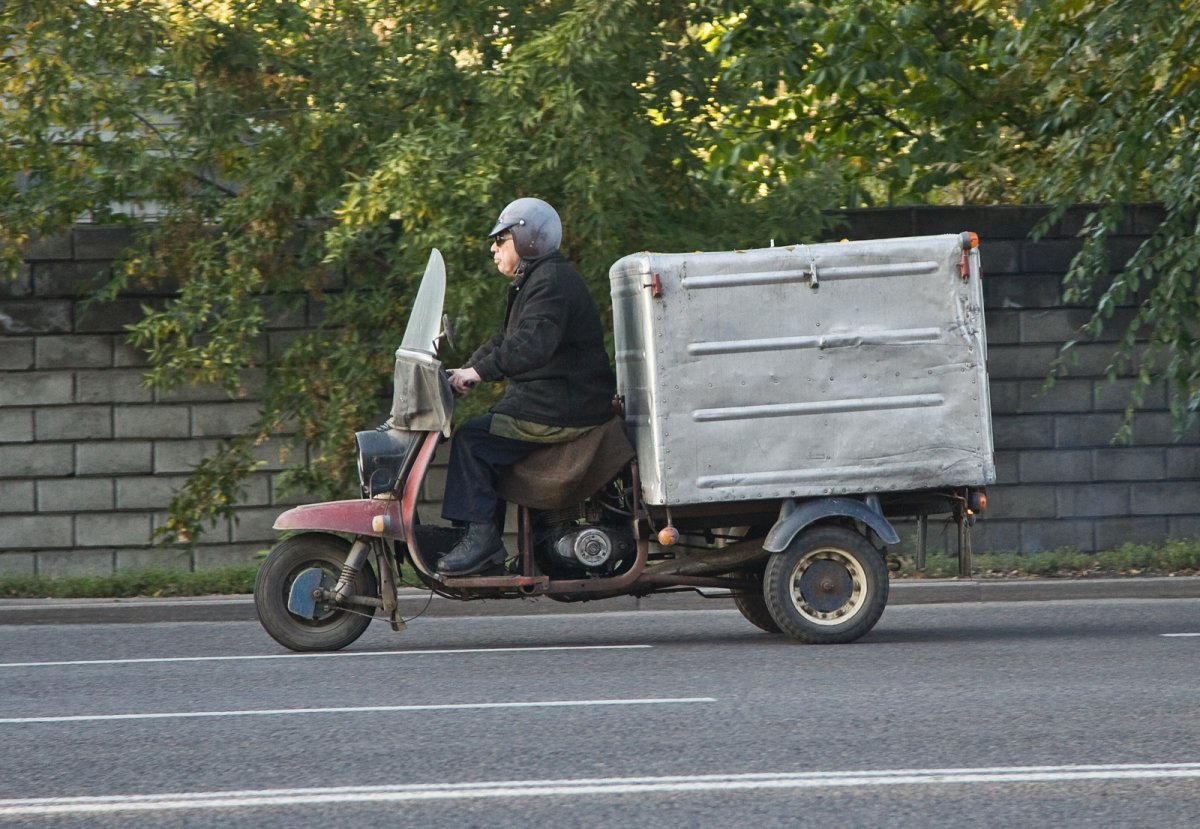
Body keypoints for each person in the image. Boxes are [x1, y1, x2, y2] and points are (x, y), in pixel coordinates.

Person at [438, 197, 617, 576]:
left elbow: (531, 347)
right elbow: (506, 341)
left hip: (562, 406)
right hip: (548, 401)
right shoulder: (536, 281)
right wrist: (465, 369)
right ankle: (480, 537)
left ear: (527, 237)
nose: (493, 248)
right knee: (483, 432)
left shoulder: (550, 283)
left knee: (473, 441)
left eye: (500, 240)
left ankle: (482, 541)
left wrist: (479, 374)